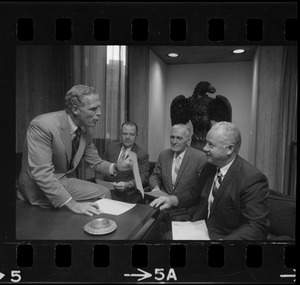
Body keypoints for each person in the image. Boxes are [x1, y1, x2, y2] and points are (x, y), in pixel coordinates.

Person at [17, 85, 133, 217]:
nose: (100, 113)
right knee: (71, 210)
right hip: (38, 188)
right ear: (75, 110)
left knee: (104, 192)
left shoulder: (86, 130)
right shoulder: (42, 125)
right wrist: (73, 204)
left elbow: (96, 163)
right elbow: (42, 174)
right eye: (93, 109)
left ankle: (100, 230)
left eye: (99, 107)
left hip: (62, 180)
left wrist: (117, 167)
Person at [150, 122, 270, 240]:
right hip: (200, 228)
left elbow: (256, 227)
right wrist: (172, 199)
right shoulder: (210, 166)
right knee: (164, 239)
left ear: (229, 149)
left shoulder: (252, 178)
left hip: (226, 238)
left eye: (210, 145)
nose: (204, 148)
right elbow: (195, 193)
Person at [148, 124, 207, 220]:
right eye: (172, 137)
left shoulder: (200, 158)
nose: (174, 142)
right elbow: (155, 176)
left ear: (188, 140)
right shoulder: (164, 155)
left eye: (179, 138)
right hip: (162, 207)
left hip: (185, 210)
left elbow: (200, 190)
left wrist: (174, 200)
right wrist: (156, 189)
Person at [97, 121, 149, 190]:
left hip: (126, 191)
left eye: (131, 134)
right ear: (120, 134)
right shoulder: (111, 147)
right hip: (106, 187)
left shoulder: (141, 154)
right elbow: (101, 168)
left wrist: (128, 184)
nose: (127, 137)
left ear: (136, 136)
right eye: (125, 134)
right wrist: (99, 184)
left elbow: (143, 177)